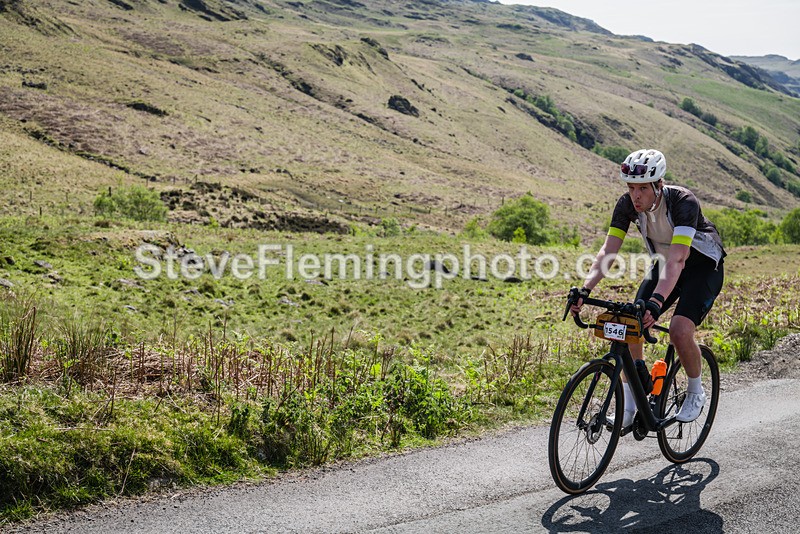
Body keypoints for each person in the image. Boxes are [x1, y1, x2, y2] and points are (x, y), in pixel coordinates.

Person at [571, 149, 725, 427]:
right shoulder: (627, 205)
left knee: (679, 330)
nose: (636, 195)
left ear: (659, 185)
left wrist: (655, 302)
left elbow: (679, 258)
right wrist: (585, 290)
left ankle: (695, 390)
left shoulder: (683, 202)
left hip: (701, 268)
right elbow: (608, 251)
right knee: (630, 323)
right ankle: (629, 407)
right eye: (631, 188)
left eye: (643, 188)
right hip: (664, 265)